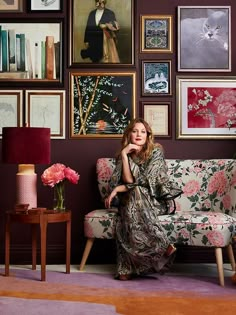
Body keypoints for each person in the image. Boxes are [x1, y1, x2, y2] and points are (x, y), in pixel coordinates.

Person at [104, 118, 182, 280]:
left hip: (155, 201)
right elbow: (129, 181)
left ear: (148, 135)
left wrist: (119, 189)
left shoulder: (156, 151)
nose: (139, 134)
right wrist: (125, 156)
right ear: (129, 134)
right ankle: (161, 249)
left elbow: (145, 181)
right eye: (134, 131)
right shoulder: (124, 154)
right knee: (131, 201)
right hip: (131, 202)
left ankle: (125, 267)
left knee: (136, 193)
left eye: (143, 131)